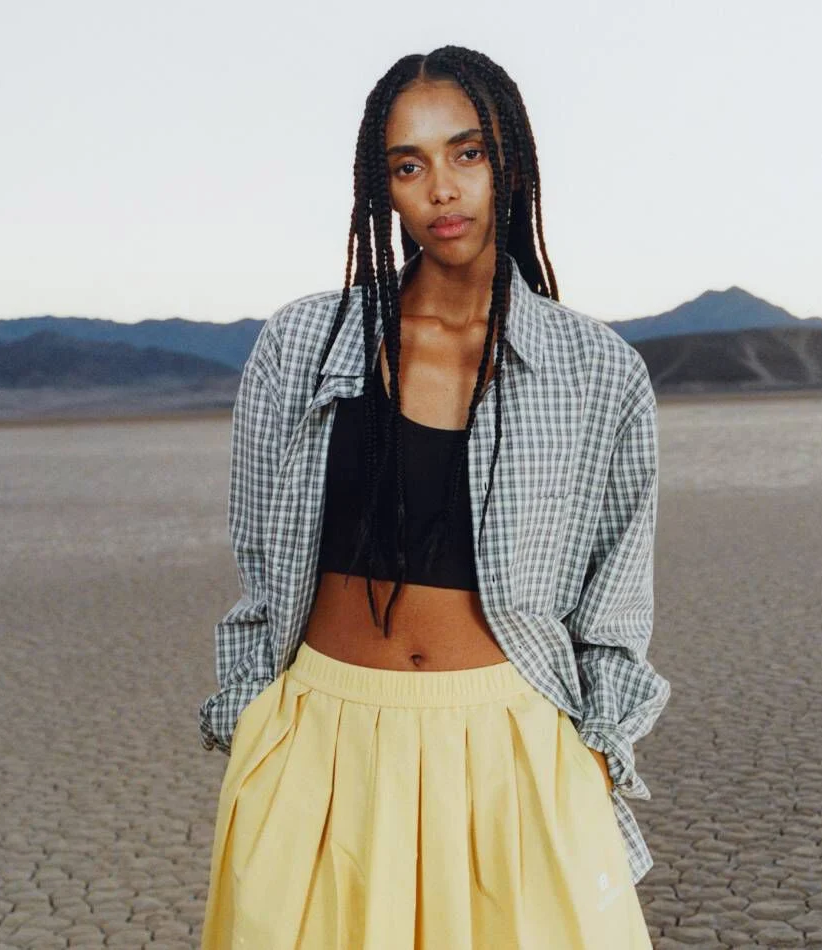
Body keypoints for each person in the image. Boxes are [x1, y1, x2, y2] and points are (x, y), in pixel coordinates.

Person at [198, 45, 670, 949]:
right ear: (382, 191)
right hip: (319, 750)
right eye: (408, 167)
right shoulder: (301, 346)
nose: (441, 190)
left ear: (511, 161)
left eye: (467, 153)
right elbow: (260, 563)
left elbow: (615, 600)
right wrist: (251, 718)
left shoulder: (598, 372)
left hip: (515, 753)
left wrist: (594, 756)